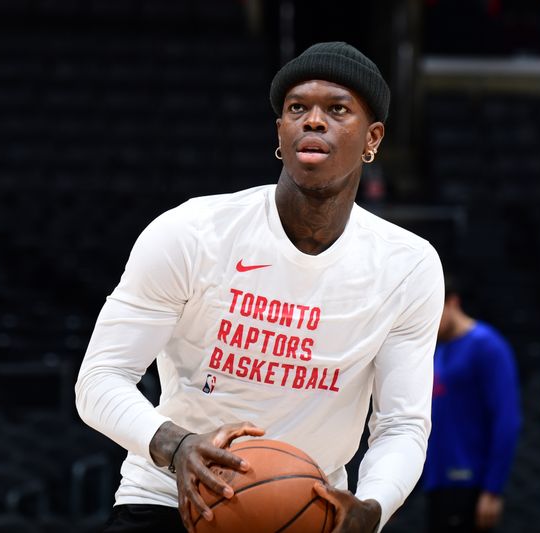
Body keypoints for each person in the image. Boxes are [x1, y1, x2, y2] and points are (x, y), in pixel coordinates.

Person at [75, 41, 445, 533]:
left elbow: (401, 424)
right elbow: (99, 379)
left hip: (309, 508)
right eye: (298, 108)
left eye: (337, 109)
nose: (313, 121)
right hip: (172, 497)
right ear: (280, 131)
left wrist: (373, 506)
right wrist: (178, 445)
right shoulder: (192, 231)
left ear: (372, 138)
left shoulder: (408, 264)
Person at [419, 277, 521, 532]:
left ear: (452, 302)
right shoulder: (436, 351)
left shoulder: (487, 345)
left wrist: (493, 488)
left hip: (470, 482)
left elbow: (507, 420)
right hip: (438, 482)